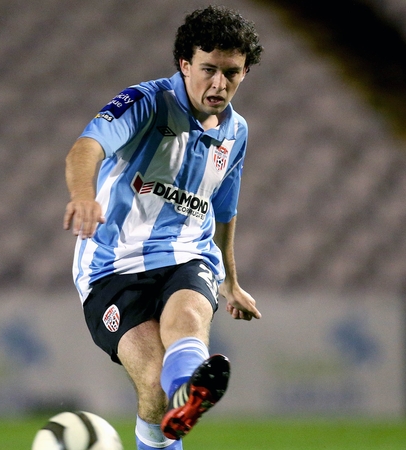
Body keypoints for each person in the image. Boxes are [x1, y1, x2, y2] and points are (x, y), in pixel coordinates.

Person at [63, 5, 263, 449]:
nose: (219, 84)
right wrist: (82, 195)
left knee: (188, 319)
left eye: (231, 73)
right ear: (184, 64)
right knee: (153, 387)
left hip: (188, 254)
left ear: (245, 72)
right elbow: (86, 147)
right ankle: (182, 392)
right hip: (112, 266)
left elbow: (224, 211)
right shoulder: (147, 103)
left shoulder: (237, 132)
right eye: (209, 69)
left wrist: (230, 281)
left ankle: (191, 387)